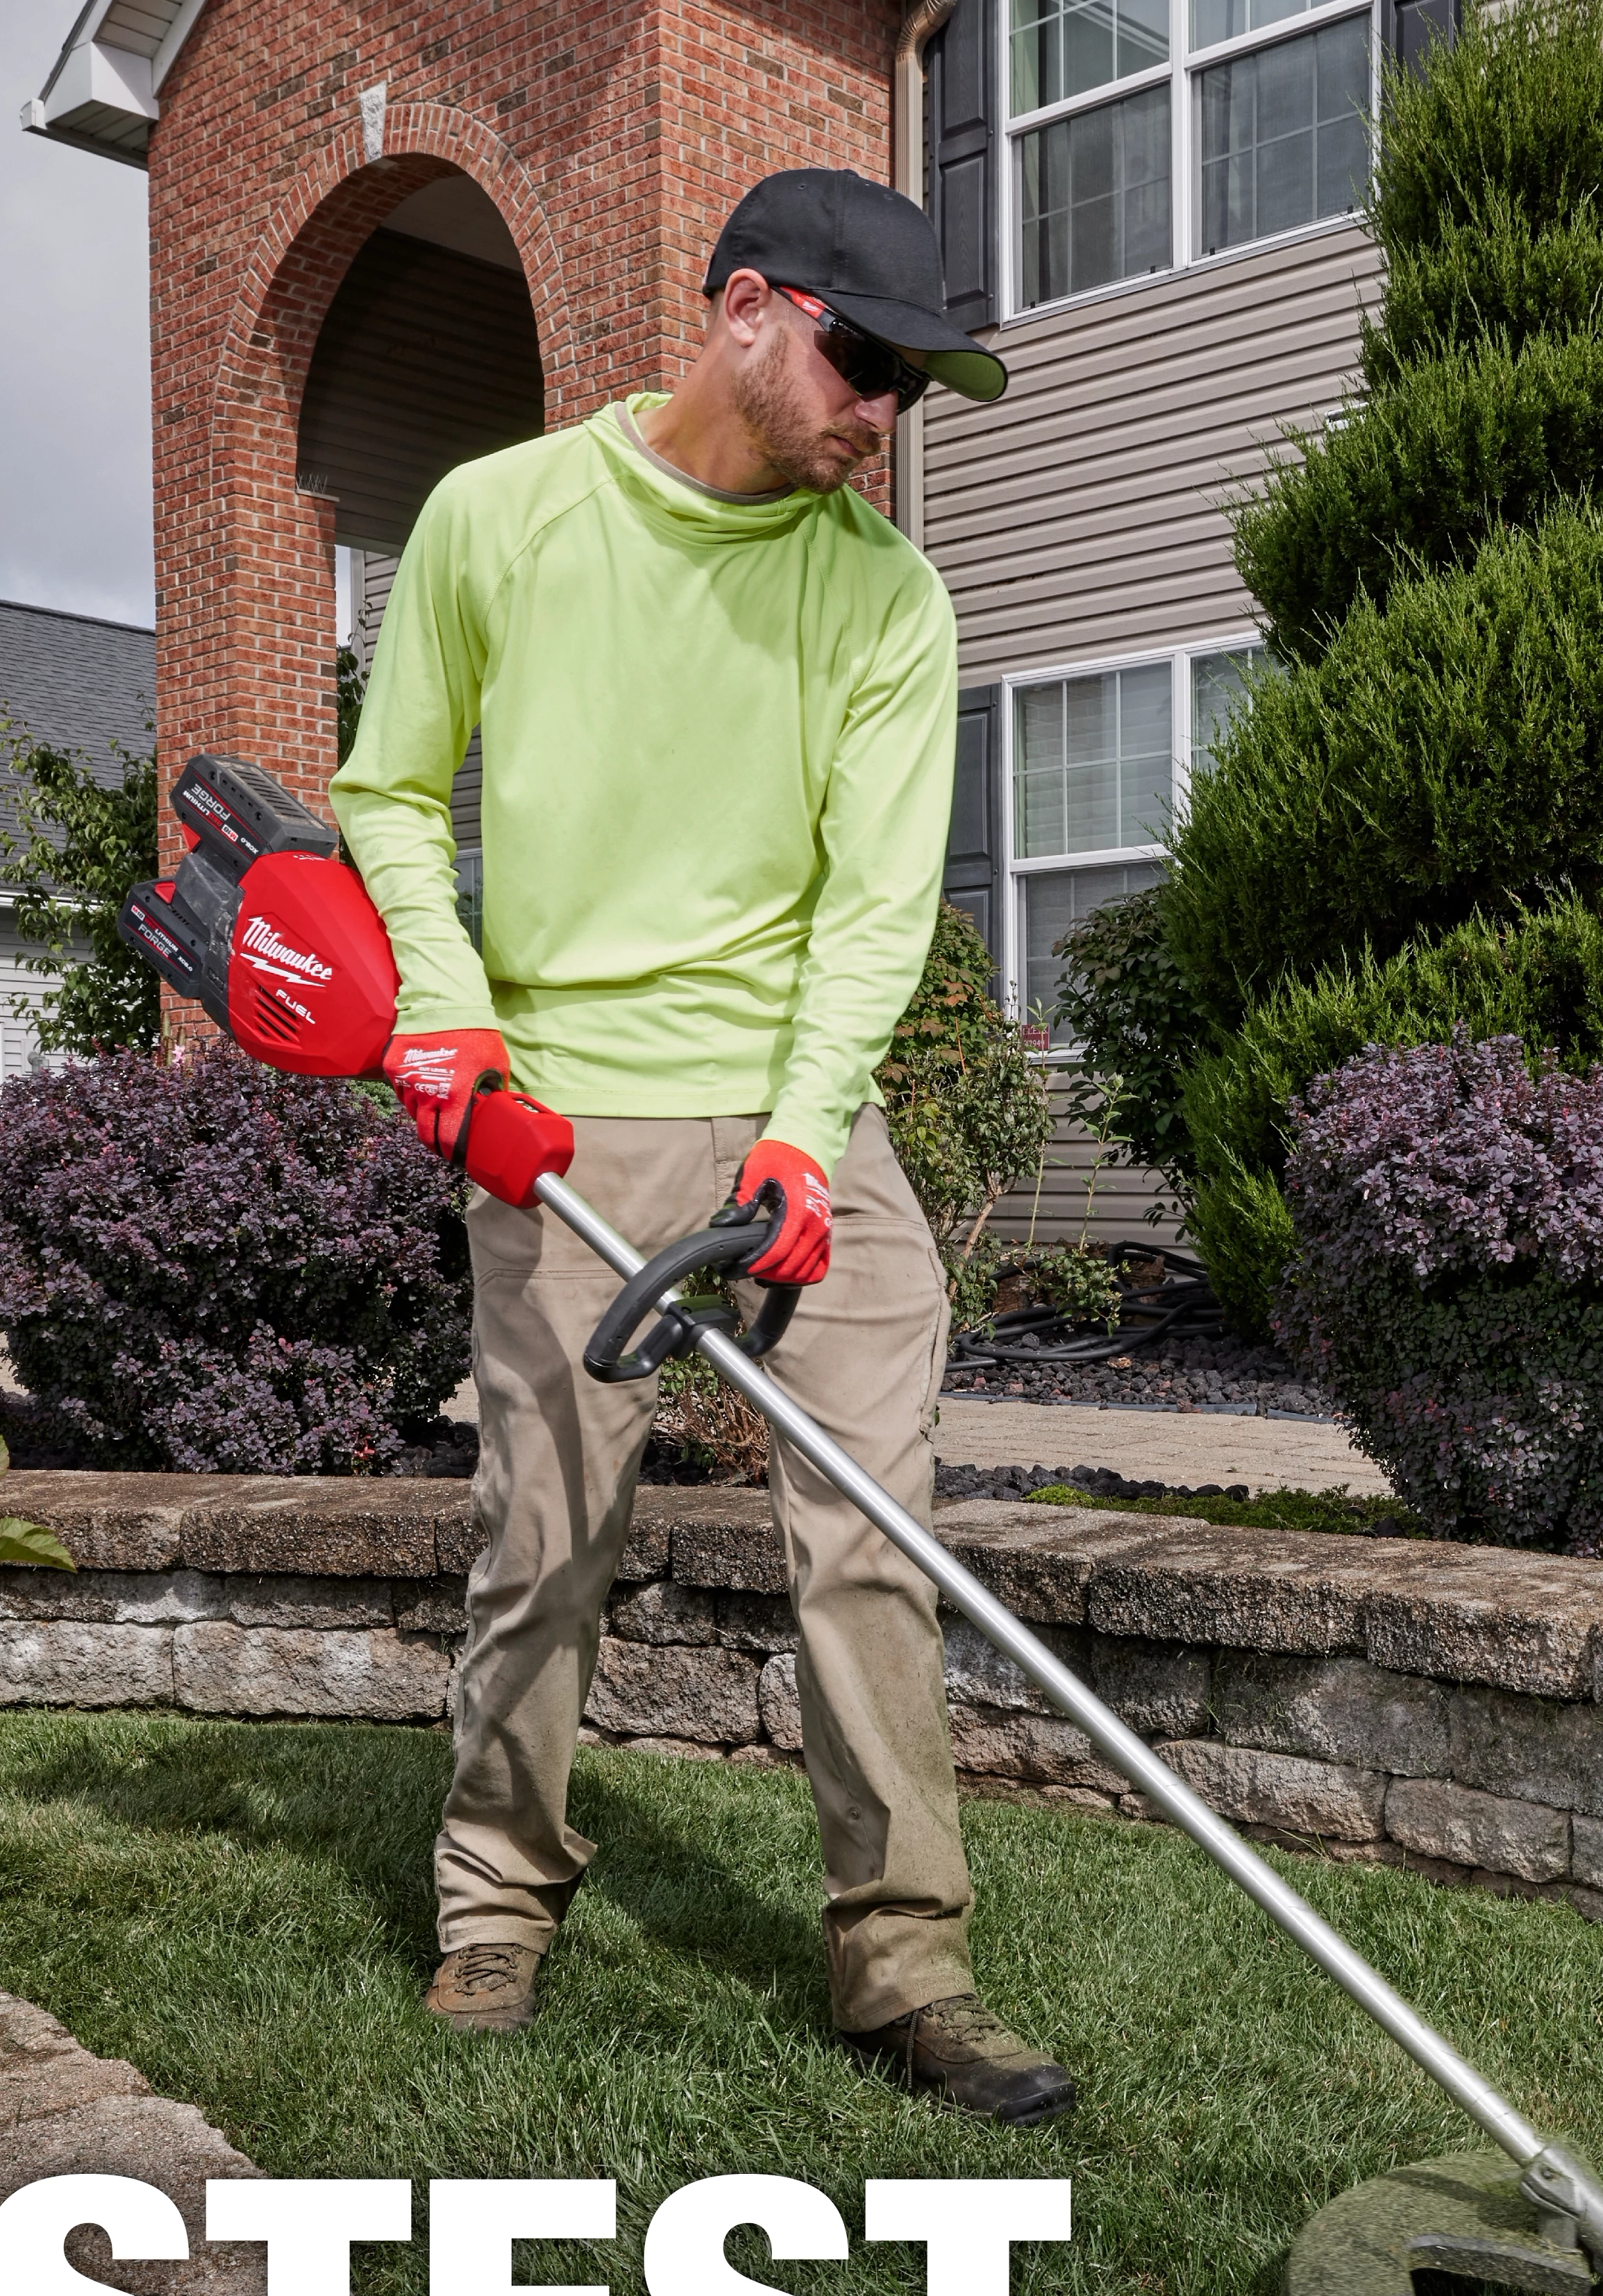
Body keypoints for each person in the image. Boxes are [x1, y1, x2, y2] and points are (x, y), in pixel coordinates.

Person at [330, 168, 1073, 2127]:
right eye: (866, 363)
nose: (882, 417)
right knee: (548, 1542)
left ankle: (902, 1963)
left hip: (809, 1115)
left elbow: (874, 907)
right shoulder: (501, 522)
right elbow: (392, 793)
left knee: (873, 1543)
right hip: (567, 1112)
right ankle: (496, 1891)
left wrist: (812, 1141)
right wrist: (449, 1010)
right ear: (746, 306)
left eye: (916, 386)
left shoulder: (887, 597)